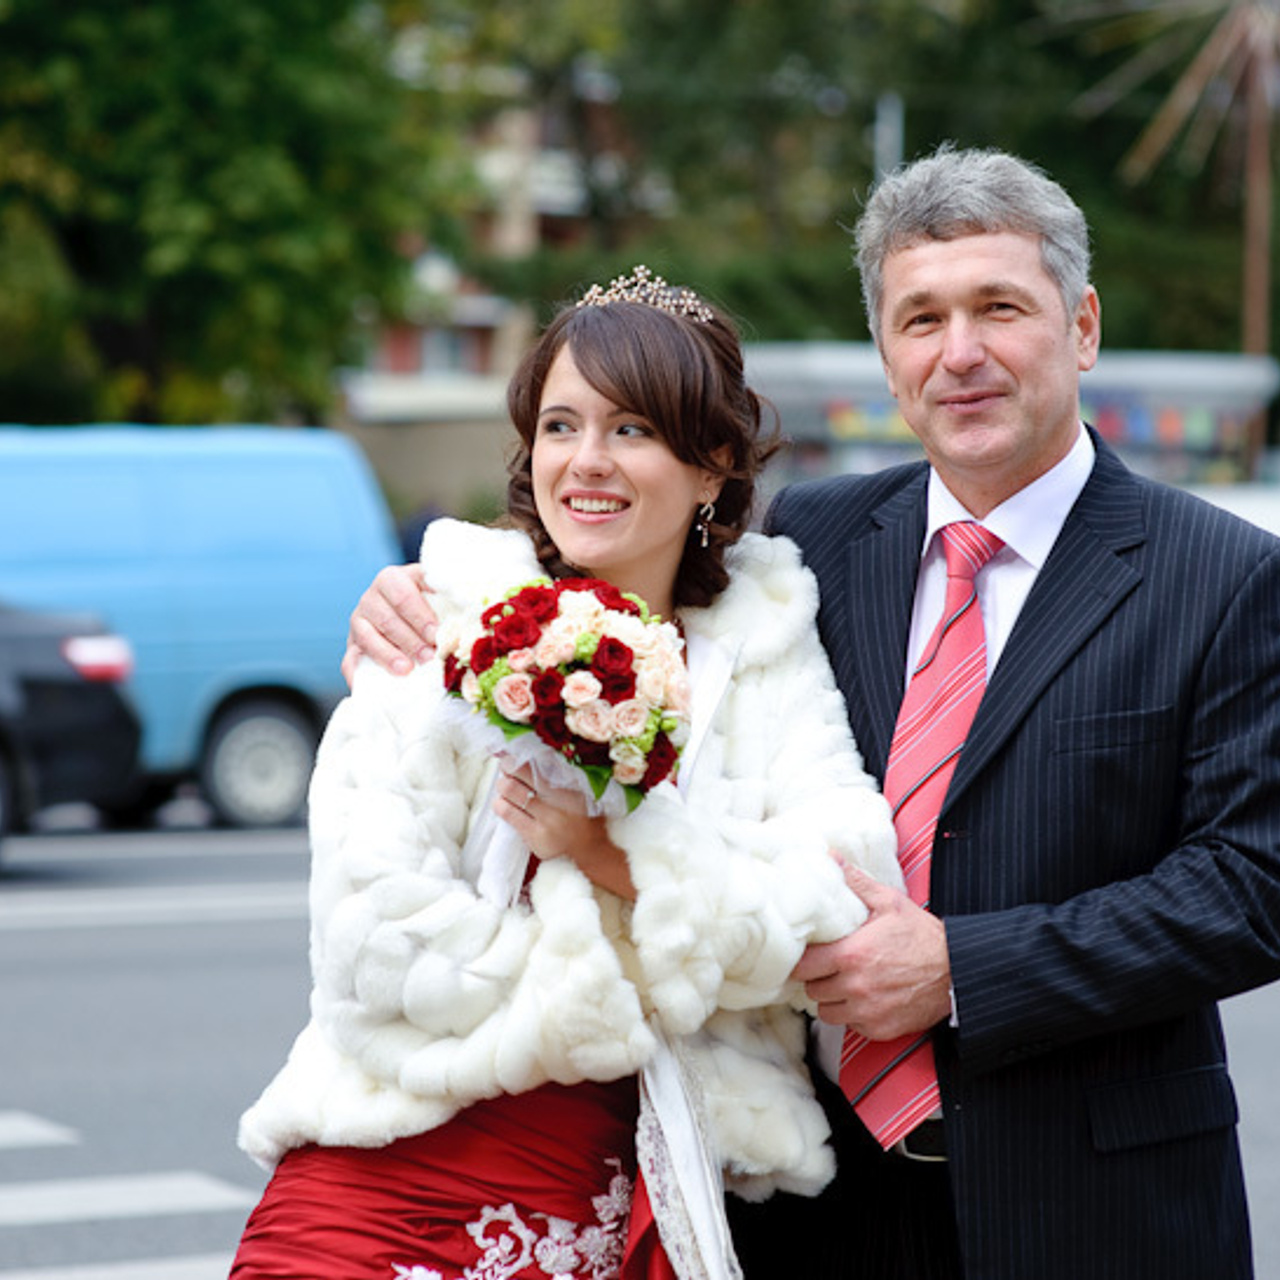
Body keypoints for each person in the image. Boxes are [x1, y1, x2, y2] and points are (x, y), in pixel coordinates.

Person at [343, 146, 1280, 1280]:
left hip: (1095, 1204)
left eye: (999, 308)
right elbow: (624, 550)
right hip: (815, 1201)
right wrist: (432, 594)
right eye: (920, 318)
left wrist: (965, 968)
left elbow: (1249, 883)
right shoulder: (813, 542)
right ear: (886, 354)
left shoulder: (1222, 575)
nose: (959, 352)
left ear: (1080, 328)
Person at [231, 268, 902, 1280]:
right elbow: (371, 939)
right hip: (388, 1160)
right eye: (559, 426)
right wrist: (652, 982)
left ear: (713, 463)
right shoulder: (438, 618)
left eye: (631, 428)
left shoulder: (764, 651)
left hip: (626, 1181)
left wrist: (610, 852)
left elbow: (837, 897)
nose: (586, 460)